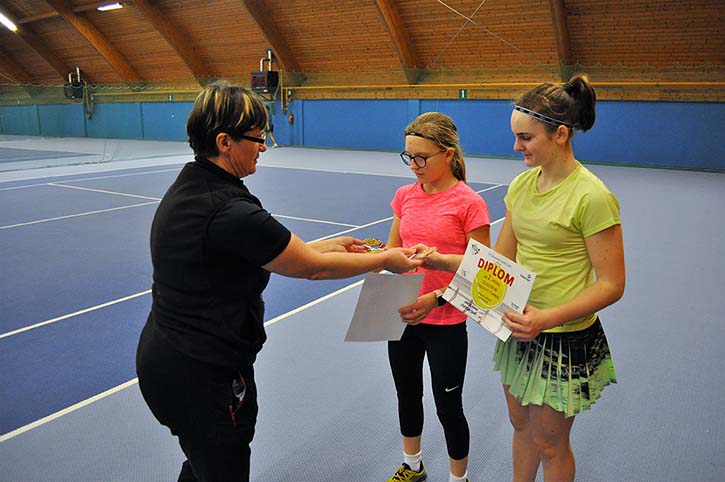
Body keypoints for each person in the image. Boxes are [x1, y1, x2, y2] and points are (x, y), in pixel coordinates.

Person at [135, 80, 421, 482]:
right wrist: (386, 259)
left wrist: (332, 244)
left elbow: (276, 253)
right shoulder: (230, 211)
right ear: (224, 142)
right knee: (223, 467)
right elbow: (310, 268)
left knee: (202, 464)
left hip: (172, 359)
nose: (264, 146)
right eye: (257, 138)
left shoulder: (195, 187)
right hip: (201, 371)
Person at [416, 74, 625, 482]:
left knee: (551, 443)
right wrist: (441, 267)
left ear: (560, 134)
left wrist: (545, 319)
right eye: (516, 136)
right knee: (521, 427)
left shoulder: (592, 196)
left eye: (526, 137)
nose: (516, 147)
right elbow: (498, 262)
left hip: (562, 336)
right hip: (518, 330)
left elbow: (612, 284)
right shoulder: (522, 185)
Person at [386, 112, 491, 482]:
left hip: (446, 321)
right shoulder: (404, 196)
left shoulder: (469, 204)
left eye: (421, 157)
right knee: (407, 394)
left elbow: (481, 271)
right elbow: (392, 252)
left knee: (448, 406)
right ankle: (412, 466)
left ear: (448, 154)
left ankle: (458, 479)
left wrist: (436, 297)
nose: (414, 165)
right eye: (408, 157)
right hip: (403, 315)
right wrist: (369, 256)